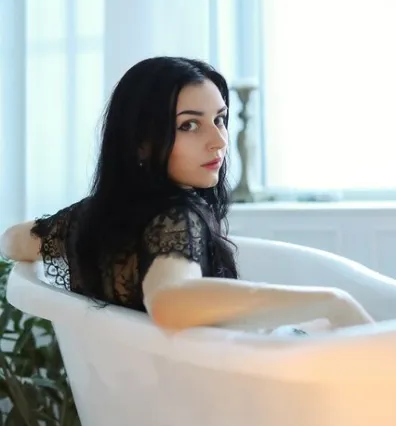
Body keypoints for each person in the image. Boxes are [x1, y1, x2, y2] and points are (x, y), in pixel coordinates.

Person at [0, 56, 374, 333]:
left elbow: (13, 240)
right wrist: (332, 301)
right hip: (223, 392)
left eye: (220, 119)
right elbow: (170, 302)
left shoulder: (97, 217)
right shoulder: (176, 217)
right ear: (142, 142)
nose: (219, 141)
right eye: (190, 125)